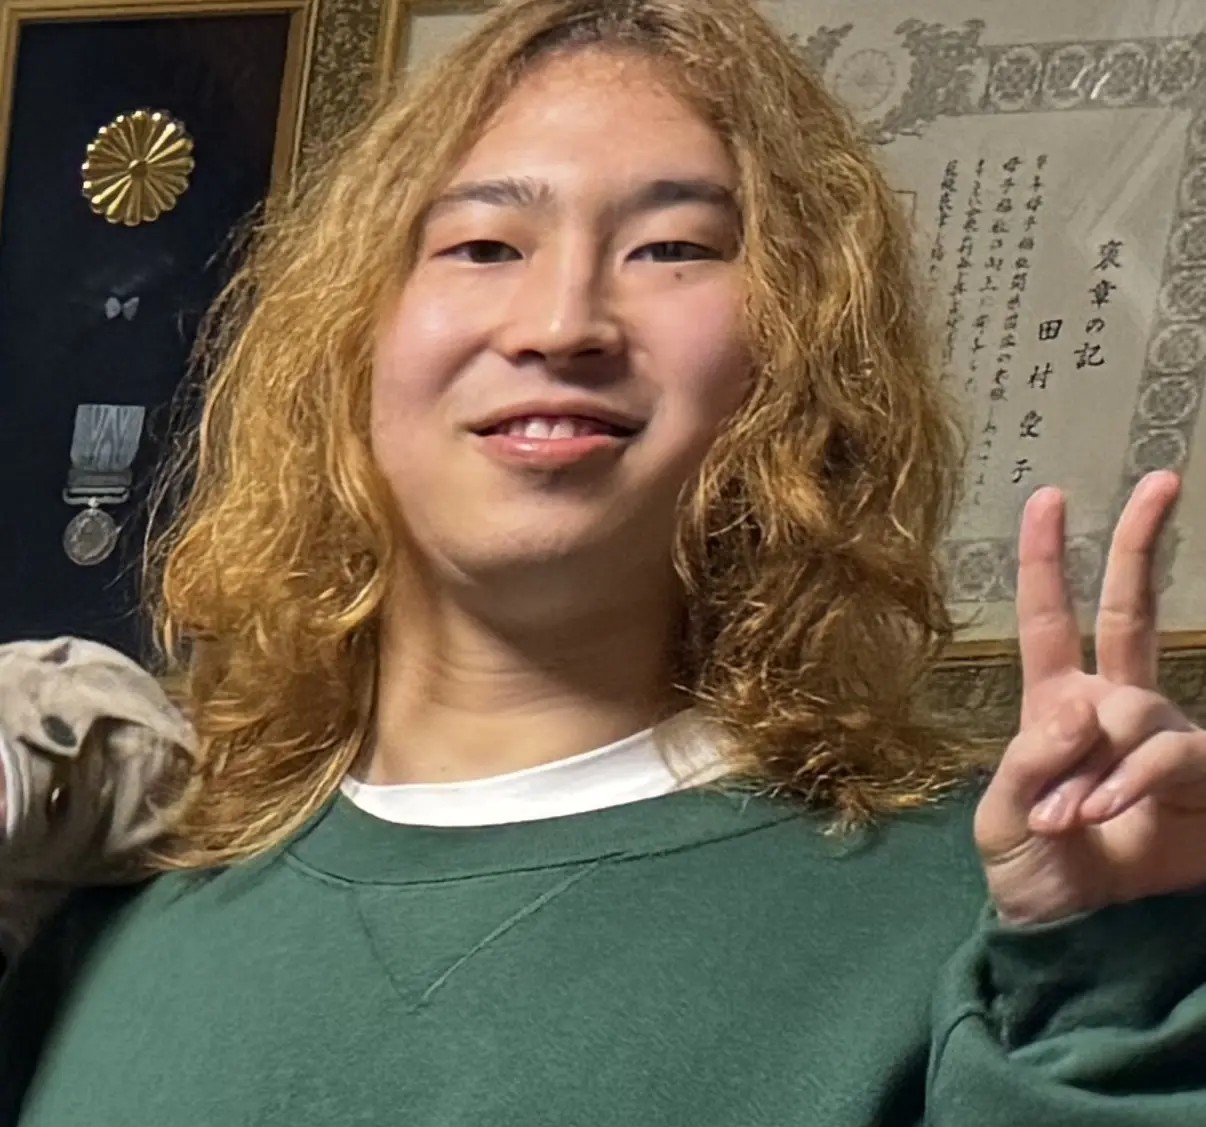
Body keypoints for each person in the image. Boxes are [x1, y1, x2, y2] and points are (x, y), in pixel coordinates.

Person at [3, 0, 1206, 1122]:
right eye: (484, 245)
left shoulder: (997, 917)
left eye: (672, 247)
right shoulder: (105, 911)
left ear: (799, 355)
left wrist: (1109, 980)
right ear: (350, 336)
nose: (563, 322)